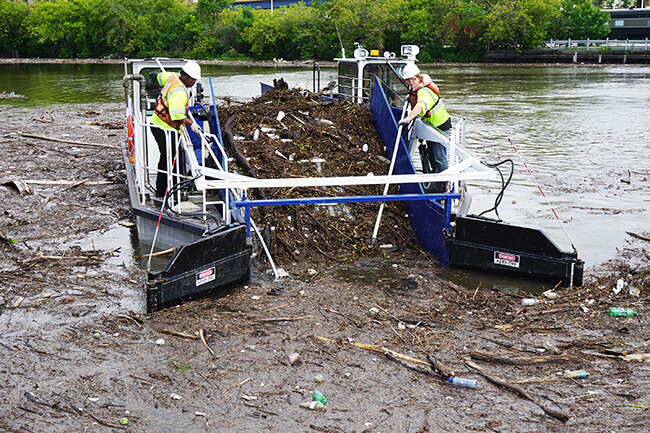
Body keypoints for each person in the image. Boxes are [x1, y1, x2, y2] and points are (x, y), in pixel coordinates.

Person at [151, 60, 202, 198]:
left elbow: (157, 76)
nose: (194, 83)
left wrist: (151, 81)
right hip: (164, 128)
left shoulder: (172, 76)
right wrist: (192, 124)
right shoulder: (179, 93)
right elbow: (176, 117)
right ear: (185, 76)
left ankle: (171, 188)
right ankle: (164, 192)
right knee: (170, 159)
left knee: (172, 157)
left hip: (157, 123)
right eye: (192, 80)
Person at [398, 63, 451, 192]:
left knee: (438, 156)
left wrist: (407, 119)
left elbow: (420, 106)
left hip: (439, 126)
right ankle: (437, 180)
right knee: (432, 154)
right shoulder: (416, 88)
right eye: (408, 80)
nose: (410, 82)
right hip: (431, 126)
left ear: (419, 77)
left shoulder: (424, 92)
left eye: (413, 79)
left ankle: (446, 185)